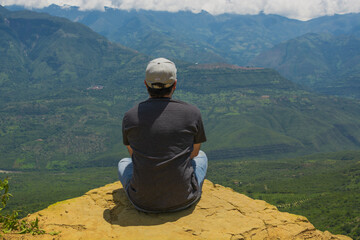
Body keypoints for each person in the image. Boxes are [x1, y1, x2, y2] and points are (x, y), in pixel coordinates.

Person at [118, 57, 208, 213]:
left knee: (124, 162)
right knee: (202, 157)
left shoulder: (130, 116)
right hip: (183, 199)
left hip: (142, 202)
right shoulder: (192, 113)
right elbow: (194, 153)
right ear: (175, 84)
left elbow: (133, 154)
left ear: (146, 84)